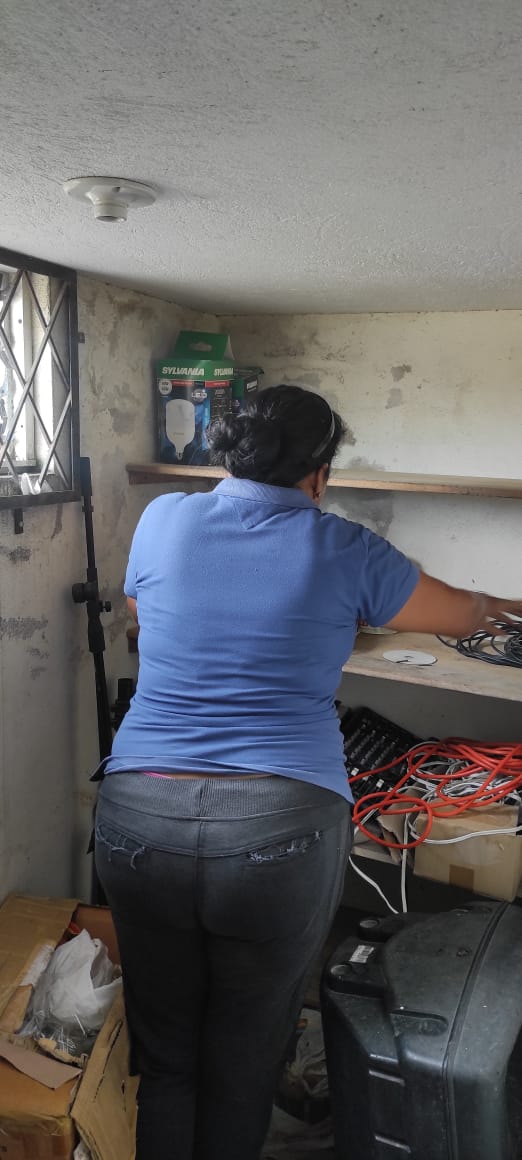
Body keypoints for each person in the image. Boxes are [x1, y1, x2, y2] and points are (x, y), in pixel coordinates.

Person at [94, 384, 522, 1160]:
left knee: (166, 1053)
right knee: (243, 1058)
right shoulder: (345, 548)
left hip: (140, 816)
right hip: (278, 831)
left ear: (228, 454)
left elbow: (139, 608)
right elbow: (460, 614)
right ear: (320, 474)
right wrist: (496, 604)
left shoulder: (163, 519)